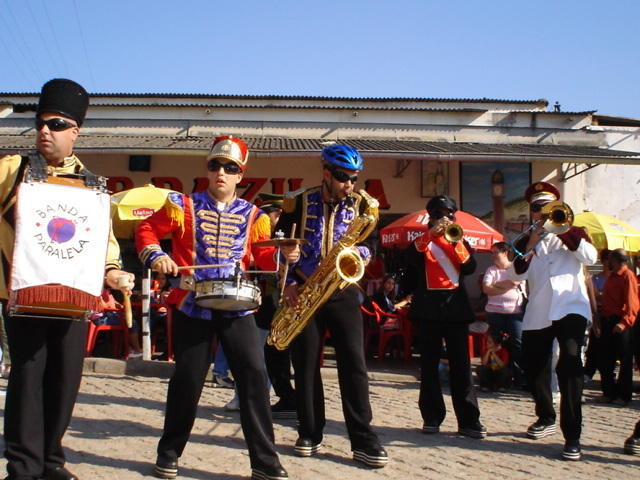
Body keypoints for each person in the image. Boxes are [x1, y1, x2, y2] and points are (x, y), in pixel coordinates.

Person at [136, 135, 298, 480]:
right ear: (207, 170)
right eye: (215, 165)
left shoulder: (255, 215)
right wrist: (159, 255)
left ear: (241, 175)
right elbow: (147, 229)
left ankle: (265, 462)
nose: (221, 172)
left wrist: (283, 253)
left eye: (229, 167)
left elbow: (261, 256)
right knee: (188, 380)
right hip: (194, 303)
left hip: (238, 306)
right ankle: (169, 453)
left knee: (254, 378)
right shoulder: (183, 204)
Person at [1, 79, 134, 480]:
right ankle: (23, 468)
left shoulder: (93, 185)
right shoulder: (10, 170)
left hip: (73, 296)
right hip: (21, 292)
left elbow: (102, 240)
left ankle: (52, 462)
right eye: (41, 123)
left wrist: (113, 271)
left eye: (57, 124)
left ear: (75, 131)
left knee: (64, 379)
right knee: (28, 376)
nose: (45, 130)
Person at [277, 144, 388, 468]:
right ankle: (309, 431)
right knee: (307, 365)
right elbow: (280, 241)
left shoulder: (362, 205)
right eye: (342, 177)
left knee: (354, 366)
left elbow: (370, 245)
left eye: (353, 178)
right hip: (305, 290)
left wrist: (356, 258)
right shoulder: (297, 201)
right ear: (326, 173)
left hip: (342, 288)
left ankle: (364, 438)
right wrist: (290, 275)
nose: (348, 184)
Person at [510, 181, 597, 461]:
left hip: (571, 306)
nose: (543, 213)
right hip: (539, 309)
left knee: (570, 363)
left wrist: (566, 231)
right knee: (533, 366)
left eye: (548, 208)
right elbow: (516, 274)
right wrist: (532, 242)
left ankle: (573, 435)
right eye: (537, 208)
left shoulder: (575, 231)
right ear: (532, 212)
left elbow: (589, 257)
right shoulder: (527, 238)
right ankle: (546, 416)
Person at [405, 194, 486, 439]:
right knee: (428, 367)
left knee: (461, 367)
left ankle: (469, 421)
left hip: (455, 311)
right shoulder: (421, 240)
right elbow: (408, 260)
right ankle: (431, 417)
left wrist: (454, 242)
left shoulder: (459, 239)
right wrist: (430, 235)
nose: (444, 219)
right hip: (428, 311)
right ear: (430, 217)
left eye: (448, 215)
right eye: (439, 215)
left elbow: (470, 267)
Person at [257, 193, 297, 419]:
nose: (266, 219)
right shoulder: (269, 238)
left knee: (277, 352)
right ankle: (287, 397)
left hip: (286, 303)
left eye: (268, 214)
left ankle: (290, 398)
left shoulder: (287, 239)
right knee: (273, 352)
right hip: (272, 303)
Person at [596, 248, 639, 406]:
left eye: (610, 259)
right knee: (605, 359)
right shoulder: (612, 277)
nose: (607, 262)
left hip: (620, 322)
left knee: (625, 361)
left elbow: (632, 303)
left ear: (616, 260)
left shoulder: (628, 276)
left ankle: (623, 395)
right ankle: (609, 392)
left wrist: (624, 322)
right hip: (608, 320)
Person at [482, 241, 525, 387]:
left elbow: (514, 283)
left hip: (514, 312)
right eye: (491, 252)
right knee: (495, 344)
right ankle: (497, 377)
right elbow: (486, 289)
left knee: (517, 344)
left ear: (505, 252)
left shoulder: (516, 268)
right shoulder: (491, 270)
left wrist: (496, 285)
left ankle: (519, 378)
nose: (493, 255)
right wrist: (504, 287)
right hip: (494, 312)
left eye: (496, 252)